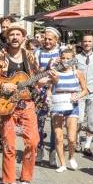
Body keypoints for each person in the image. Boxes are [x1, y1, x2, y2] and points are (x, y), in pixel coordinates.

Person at [0, 22, 48, 184]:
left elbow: (37, 80)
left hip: (27, 103)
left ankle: (26, 180)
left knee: (33, 142)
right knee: (9, 144)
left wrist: (50, 79)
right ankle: (10, 181)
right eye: (12, 34)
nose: (15, 37)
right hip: (7, 105)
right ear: (7, 37)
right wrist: (2, 85)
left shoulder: (30, 57)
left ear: (23, 37)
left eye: (18, 34)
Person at [49, 47, 89, 172]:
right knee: (58, 136)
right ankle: (62, 164)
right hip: (58, 105)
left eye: (68, 58)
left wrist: (77, 96)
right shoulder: (55, 72)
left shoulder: (77, 73)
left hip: (72, 106)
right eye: (63, 58)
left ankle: (71, 156)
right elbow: (49, 90)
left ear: (73, 60)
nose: (65, 61)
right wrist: (48, 98)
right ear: (60, 59)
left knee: (71, 138)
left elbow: (85, 90)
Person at [34, 27, 62, 166]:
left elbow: (69, 70)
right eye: (45, 38)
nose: (47, 41)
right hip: (41, 91)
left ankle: (53, 152)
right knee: (39, 122)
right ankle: (39, 150)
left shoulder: (62, 52)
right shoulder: (38, 52)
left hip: (57, 91)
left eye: (50, 39)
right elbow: (35, 72)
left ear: (56, 40)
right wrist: (46, 68)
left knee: (55, 124)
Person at [74, 33, 93, 158]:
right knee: (79, 119)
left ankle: (87, 146)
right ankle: (77, 142)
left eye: (89, 41)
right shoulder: (76, 58)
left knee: (92, 121)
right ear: (81, 43)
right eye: (85, 41)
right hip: (79, 91)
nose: (87, 43)